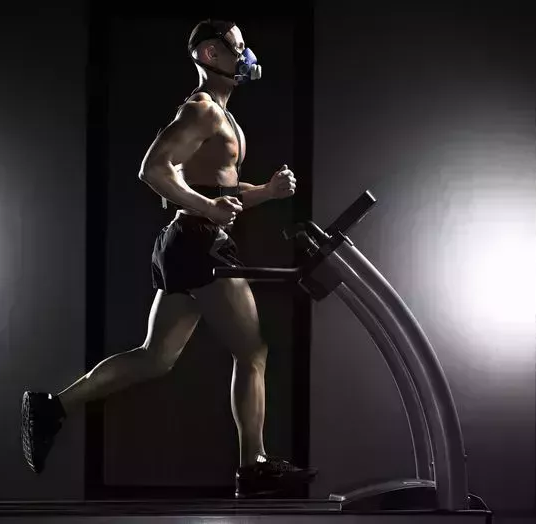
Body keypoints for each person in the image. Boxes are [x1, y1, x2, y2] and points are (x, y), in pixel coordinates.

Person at [21, 18, 317, 499]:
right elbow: (153, 171)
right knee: (253, 350)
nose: (245, 55)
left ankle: (51, 406)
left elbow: (214, 189)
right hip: (200, 240)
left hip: (189, 238)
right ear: (210, 55)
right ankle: (253, 465)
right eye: (235, 47)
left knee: (156, 358)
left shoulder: (220, 113)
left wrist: (264, 191)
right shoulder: (202, 110)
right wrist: (206, 208)